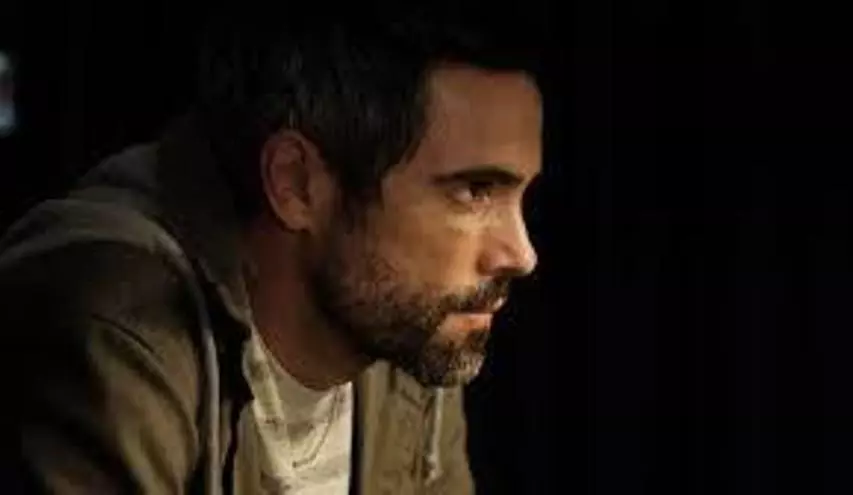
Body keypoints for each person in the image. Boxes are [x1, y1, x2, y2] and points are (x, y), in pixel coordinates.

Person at [0, 4, 541, 494]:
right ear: (296, 183)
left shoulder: (409, 322)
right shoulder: (113, 328)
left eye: (520, 195)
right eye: (475, 191)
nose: (521, 254)